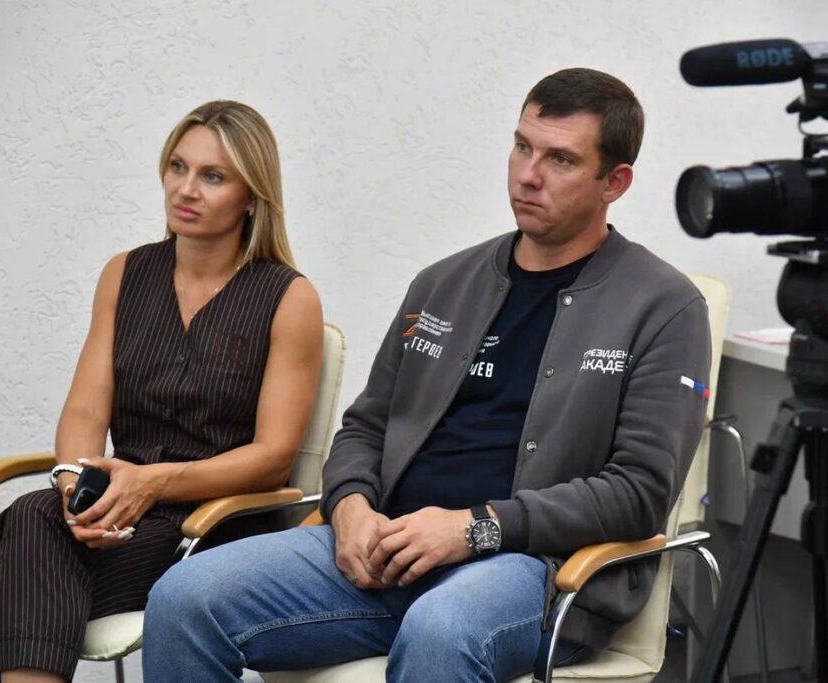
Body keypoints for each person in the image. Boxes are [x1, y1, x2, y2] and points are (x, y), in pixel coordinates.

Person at [144, 68, 711, 682]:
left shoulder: (663, 306)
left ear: (614, 182)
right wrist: (350, 508)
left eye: (561, 159)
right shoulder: (444, 283)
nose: (528, 174)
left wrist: (476, 529)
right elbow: (366, 427)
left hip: (531, 569)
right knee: (183, 598)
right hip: (385, 545)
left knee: (442, 628)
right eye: (522, 146)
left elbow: (639, 492)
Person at [0, 100, 323, 683]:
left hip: (211, 526)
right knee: (38, 513)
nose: (186, 189)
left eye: (213, 176)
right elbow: (86, 408)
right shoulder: (125, 273)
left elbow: (272, 458)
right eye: (178, 167)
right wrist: (73, 489)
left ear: (252, 196)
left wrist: (154, 482)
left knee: (4, 582)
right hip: (118, 507)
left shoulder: (289, 298)